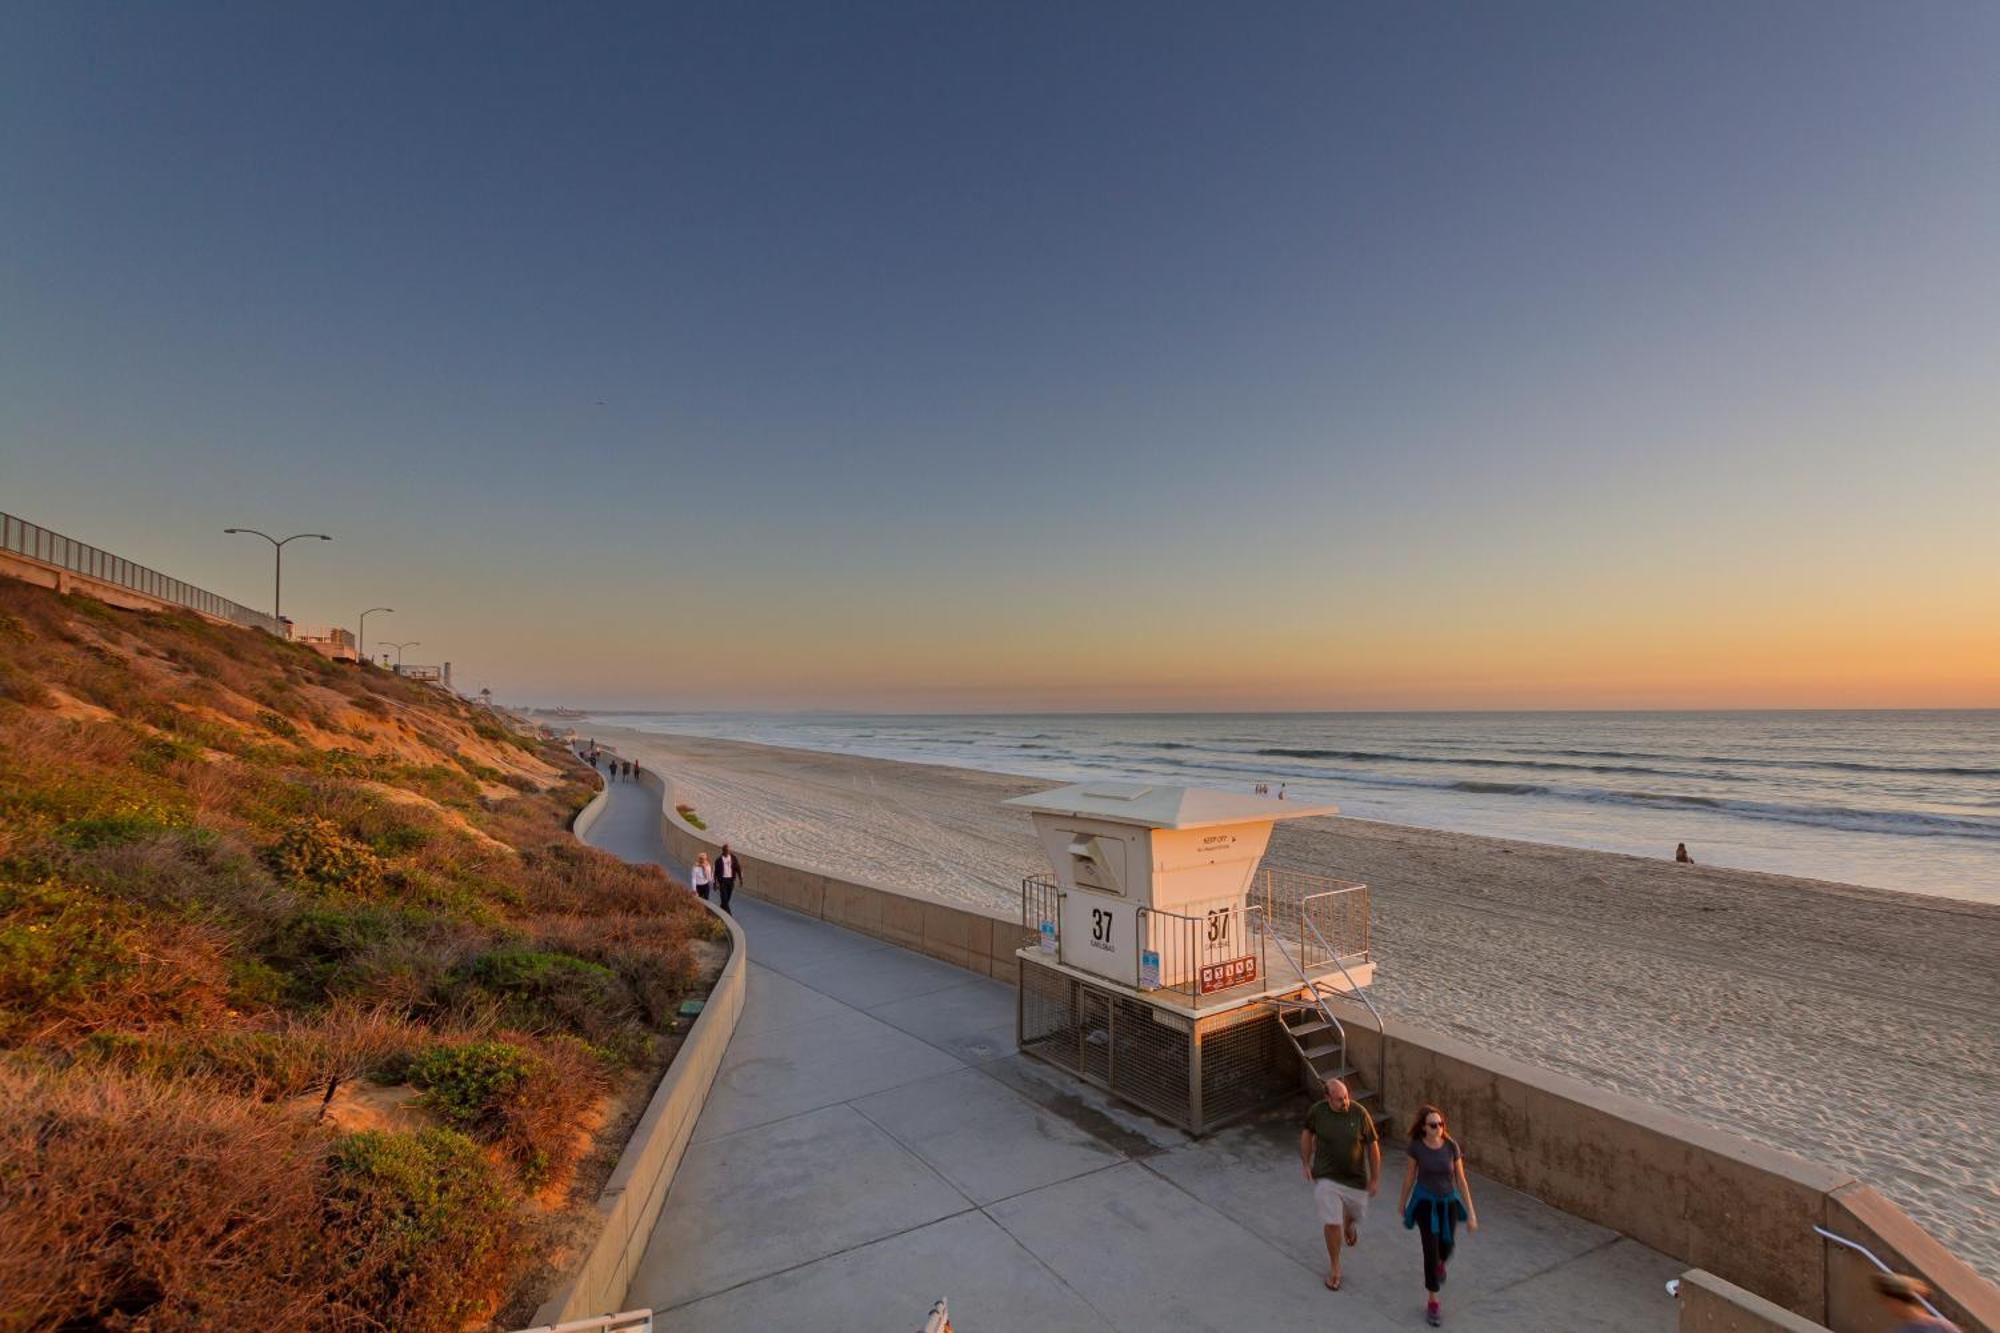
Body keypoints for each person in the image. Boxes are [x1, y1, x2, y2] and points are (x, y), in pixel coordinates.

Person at [1399, 1103, 1478, 1326]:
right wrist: (1402, 1201)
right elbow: (1409, 1176)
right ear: (1424, 1127)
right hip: (1425, 1203)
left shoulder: (1451, 1146)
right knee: (1429, 1250)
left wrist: (1471, 1212)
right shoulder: (1417, 1147)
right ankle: (1433, 1301)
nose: (1439, 1128)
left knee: (1447, 1245)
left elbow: (1461, 1181)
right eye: (1433, 1125)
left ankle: (1441, 1262)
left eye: (1441, 1124)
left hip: (1448, 1202)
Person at [1300, 1077, 1380, 1291]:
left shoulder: (1359, 1113)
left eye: (1346, 1097)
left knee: (1355, 1214)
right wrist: (1306, 1163)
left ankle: (1349, 1222)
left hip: (1355, 1178)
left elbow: (1373, 1147)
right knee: (1331, 1221)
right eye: (1339, 1099)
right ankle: (1335, 1266)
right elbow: (1307, 1134)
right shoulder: (1317, 1112)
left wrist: (1374, 1179)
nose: (1345, 1102)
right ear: (1327, 1098)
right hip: (1327, 1176)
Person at [1876, 1273, 1960, 1332]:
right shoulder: (1943, 1326)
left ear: (1896, 1301)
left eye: (1886, 1301)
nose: (1884, 1305)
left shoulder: (1941, 1327)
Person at [714, 843, 741, 913]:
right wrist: (715, 883)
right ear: (723, 851)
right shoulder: (719, 860)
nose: (727, 852)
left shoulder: (733, 858)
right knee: (724, 897)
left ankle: (722, 908)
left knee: (728, 897)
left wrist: (741, 878)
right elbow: (715, 872)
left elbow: (738, 868)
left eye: (728, 850)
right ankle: (729, 914)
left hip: (730, 880)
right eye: (726, 850)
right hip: (722, 880)